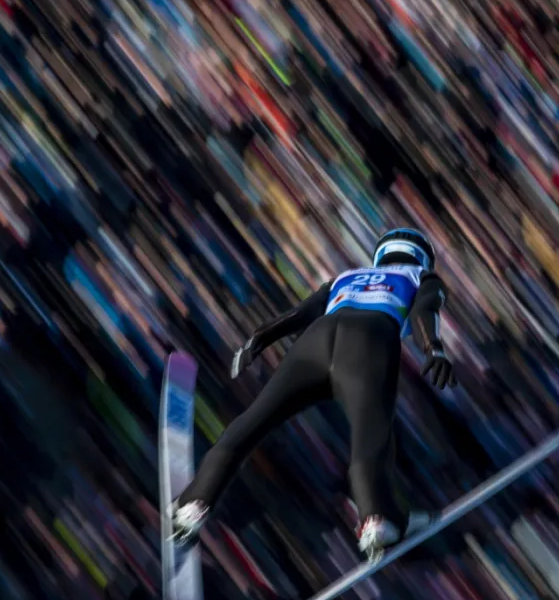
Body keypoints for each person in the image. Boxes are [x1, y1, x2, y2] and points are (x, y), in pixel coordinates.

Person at [169, 228, 456, 560]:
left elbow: (302, 313)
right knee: (370, 436)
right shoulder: (422, 277)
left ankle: (194, 503)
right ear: (421, 257)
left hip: (316, 341)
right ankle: (376, 519)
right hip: (369, 340)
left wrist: (260, 338)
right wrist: (433, 349)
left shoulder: (347, 276)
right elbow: (425, 310)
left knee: (254, 420)